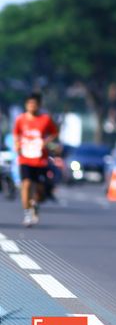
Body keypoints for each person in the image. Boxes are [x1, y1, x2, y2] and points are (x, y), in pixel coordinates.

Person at [13, 93, 58, 227]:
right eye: (29, 104)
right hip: (25, 158)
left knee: (39, 189)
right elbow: (16, 134)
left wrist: (46, 142)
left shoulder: (45, 119)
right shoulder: (20, 119)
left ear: (38, 105)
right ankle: (27, 213)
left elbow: (54, 133)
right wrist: (17, 144)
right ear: (26, 105)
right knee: (26, 184)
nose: (32, 106)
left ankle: (35, 203)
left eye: (34, 104)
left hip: (40, 159)